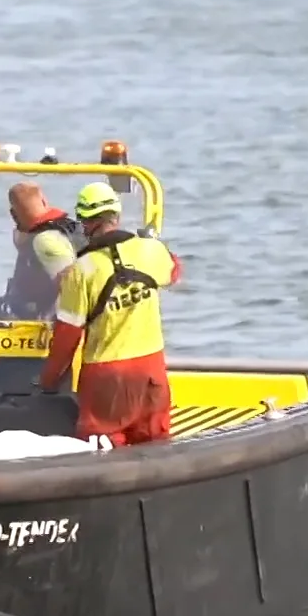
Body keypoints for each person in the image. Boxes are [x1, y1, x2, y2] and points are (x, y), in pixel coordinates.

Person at [38, 181, 184, 446]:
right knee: (156, 449)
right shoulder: (151, 251)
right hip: (151, 373)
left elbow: (67, 337)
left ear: (83, 222)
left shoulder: (81, 270)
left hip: (106, 380)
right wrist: (153, 244)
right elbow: (174, 271)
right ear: (116, 216)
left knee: (102, 452)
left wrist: (48, 380)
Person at [0, 181, 83, 319]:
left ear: (13, 214)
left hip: (49, 325)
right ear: (44, 201)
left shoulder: (44, 240)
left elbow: (71, 286)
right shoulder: (63, 229)